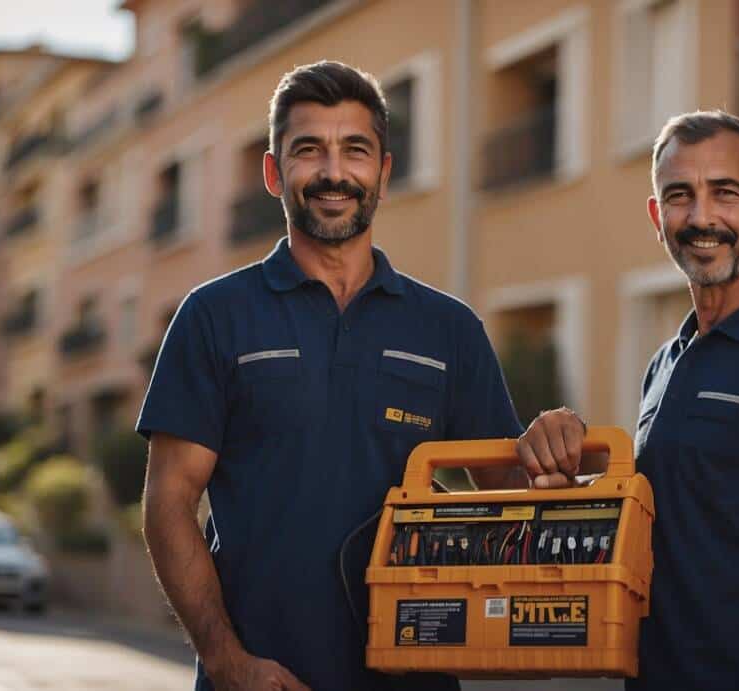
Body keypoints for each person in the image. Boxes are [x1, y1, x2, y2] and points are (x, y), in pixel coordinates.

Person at [137, 61, 523, 691]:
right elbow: (168, 501)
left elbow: (506, 495)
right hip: (263, 680)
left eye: (355, 151)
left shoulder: (448, 330)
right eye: (308, 150)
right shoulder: (214, 316)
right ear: (273, 172)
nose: (334, 173)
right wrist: (227, 661)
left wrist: (551, 448)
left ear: (385, 173)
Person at [509, 111, 739, 691]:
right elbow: (684, 521)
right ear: (657, 219)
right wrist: (567, 467)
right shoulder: (667, 362)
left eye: (726, 193)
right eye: (680, 196)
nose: (702, 216)